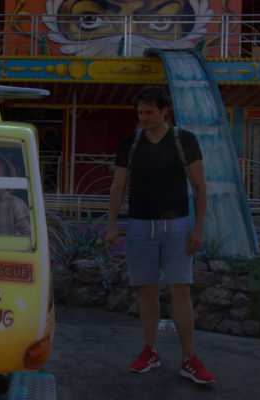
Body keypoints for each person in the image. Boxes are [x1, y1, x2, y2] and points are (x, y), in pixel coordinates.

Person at [106, 86, 215, 384]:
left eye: (149, 112)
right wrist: (112, 225)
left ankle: (189, 358)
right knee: (146, 289)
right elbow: (118, 186)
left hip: (176, 225)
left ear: (164, 110)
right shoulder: (130, 143)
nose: (143, 117)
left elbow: (199, 186)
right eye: (140, 112)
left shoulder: (183, 140)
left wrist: (199, 228)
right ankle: (150, 350)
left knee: (180, 289)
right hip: (140, 225)